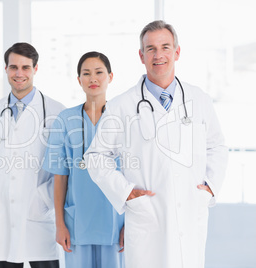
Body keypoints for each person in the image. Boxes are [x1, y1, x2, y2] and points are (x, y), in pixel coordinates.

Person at [84, 20, 228, 268]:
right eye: (150, 48)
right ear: (141, 56)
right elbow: (96, 156)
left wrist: (210, 188)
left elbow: (217, 147)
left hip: (190, 213)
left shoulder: (199, 99)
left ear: (177, 52)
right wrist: (125, 192)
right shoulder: (123, 105)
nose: (158, 55)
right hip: (147, 217)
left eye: (165, 46)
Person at [0, 42, 65, 268]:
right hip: (2, 212)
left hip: (39, 215)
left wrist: (44, 199)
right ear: (5, 69)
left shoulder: (57, 113)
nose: (19, 73)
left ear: (35, 69)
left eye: (25, 67)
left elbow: (64, 167)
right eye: (13, 67)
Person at [42, 51, 125, 268]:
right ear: (79, 80)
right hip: (78, 222)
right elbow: (60, 177)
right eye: (86, 73)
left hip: (115, 221)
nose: (93, 79)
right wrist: (60, 224)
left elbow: (133, 174)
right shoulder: (65, 120)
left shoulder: (123, 118)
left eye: (99, 72)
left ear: (111, 76)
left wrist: (130, 224)